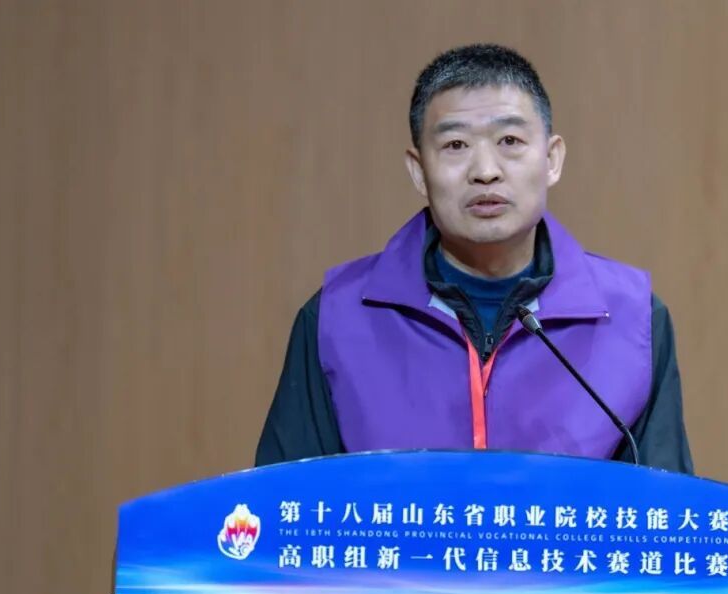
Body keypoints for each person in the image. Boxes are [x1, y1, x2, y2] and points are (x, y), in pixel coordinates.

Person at [255, 43, 693, 473]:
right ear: (418, 171)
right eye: (456, 145)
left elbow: (668, 512)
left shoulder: (631, 319)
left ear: (551, 159)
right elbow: (284, 506)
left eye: (510, 140)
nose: (485, 171)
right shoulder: (337, 318)